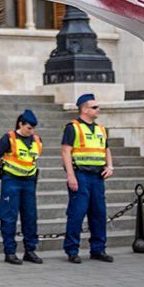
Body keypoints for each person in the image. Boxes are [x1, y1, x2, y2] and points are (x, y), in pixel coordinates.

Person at [61, 93, 114, 263]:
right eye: (95, 107)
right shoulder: (73, 127)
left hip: (98, 177)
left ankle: (98, 249)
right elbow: (65, 151)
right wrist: (71, 176)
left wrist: (110, 166)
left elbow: (106, 149)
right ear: (84, 109)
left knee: (99, 214)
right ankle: (72, 250)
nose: (98, 109)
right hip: (81, 175)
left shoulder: (101, 129)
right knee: (77, 213)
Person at [0, 109, 42, 265]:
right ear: (21, 124)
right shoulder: (9, 138)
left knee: (30, 217)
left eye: (33, 128)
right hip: (11, 181)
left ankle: (30, 250)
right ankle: (10, 252)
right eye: (29, 127)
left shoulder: (37, 140)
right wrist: (7, 170)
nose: (31, 131)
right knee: (9, 217)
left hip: (29, 182)